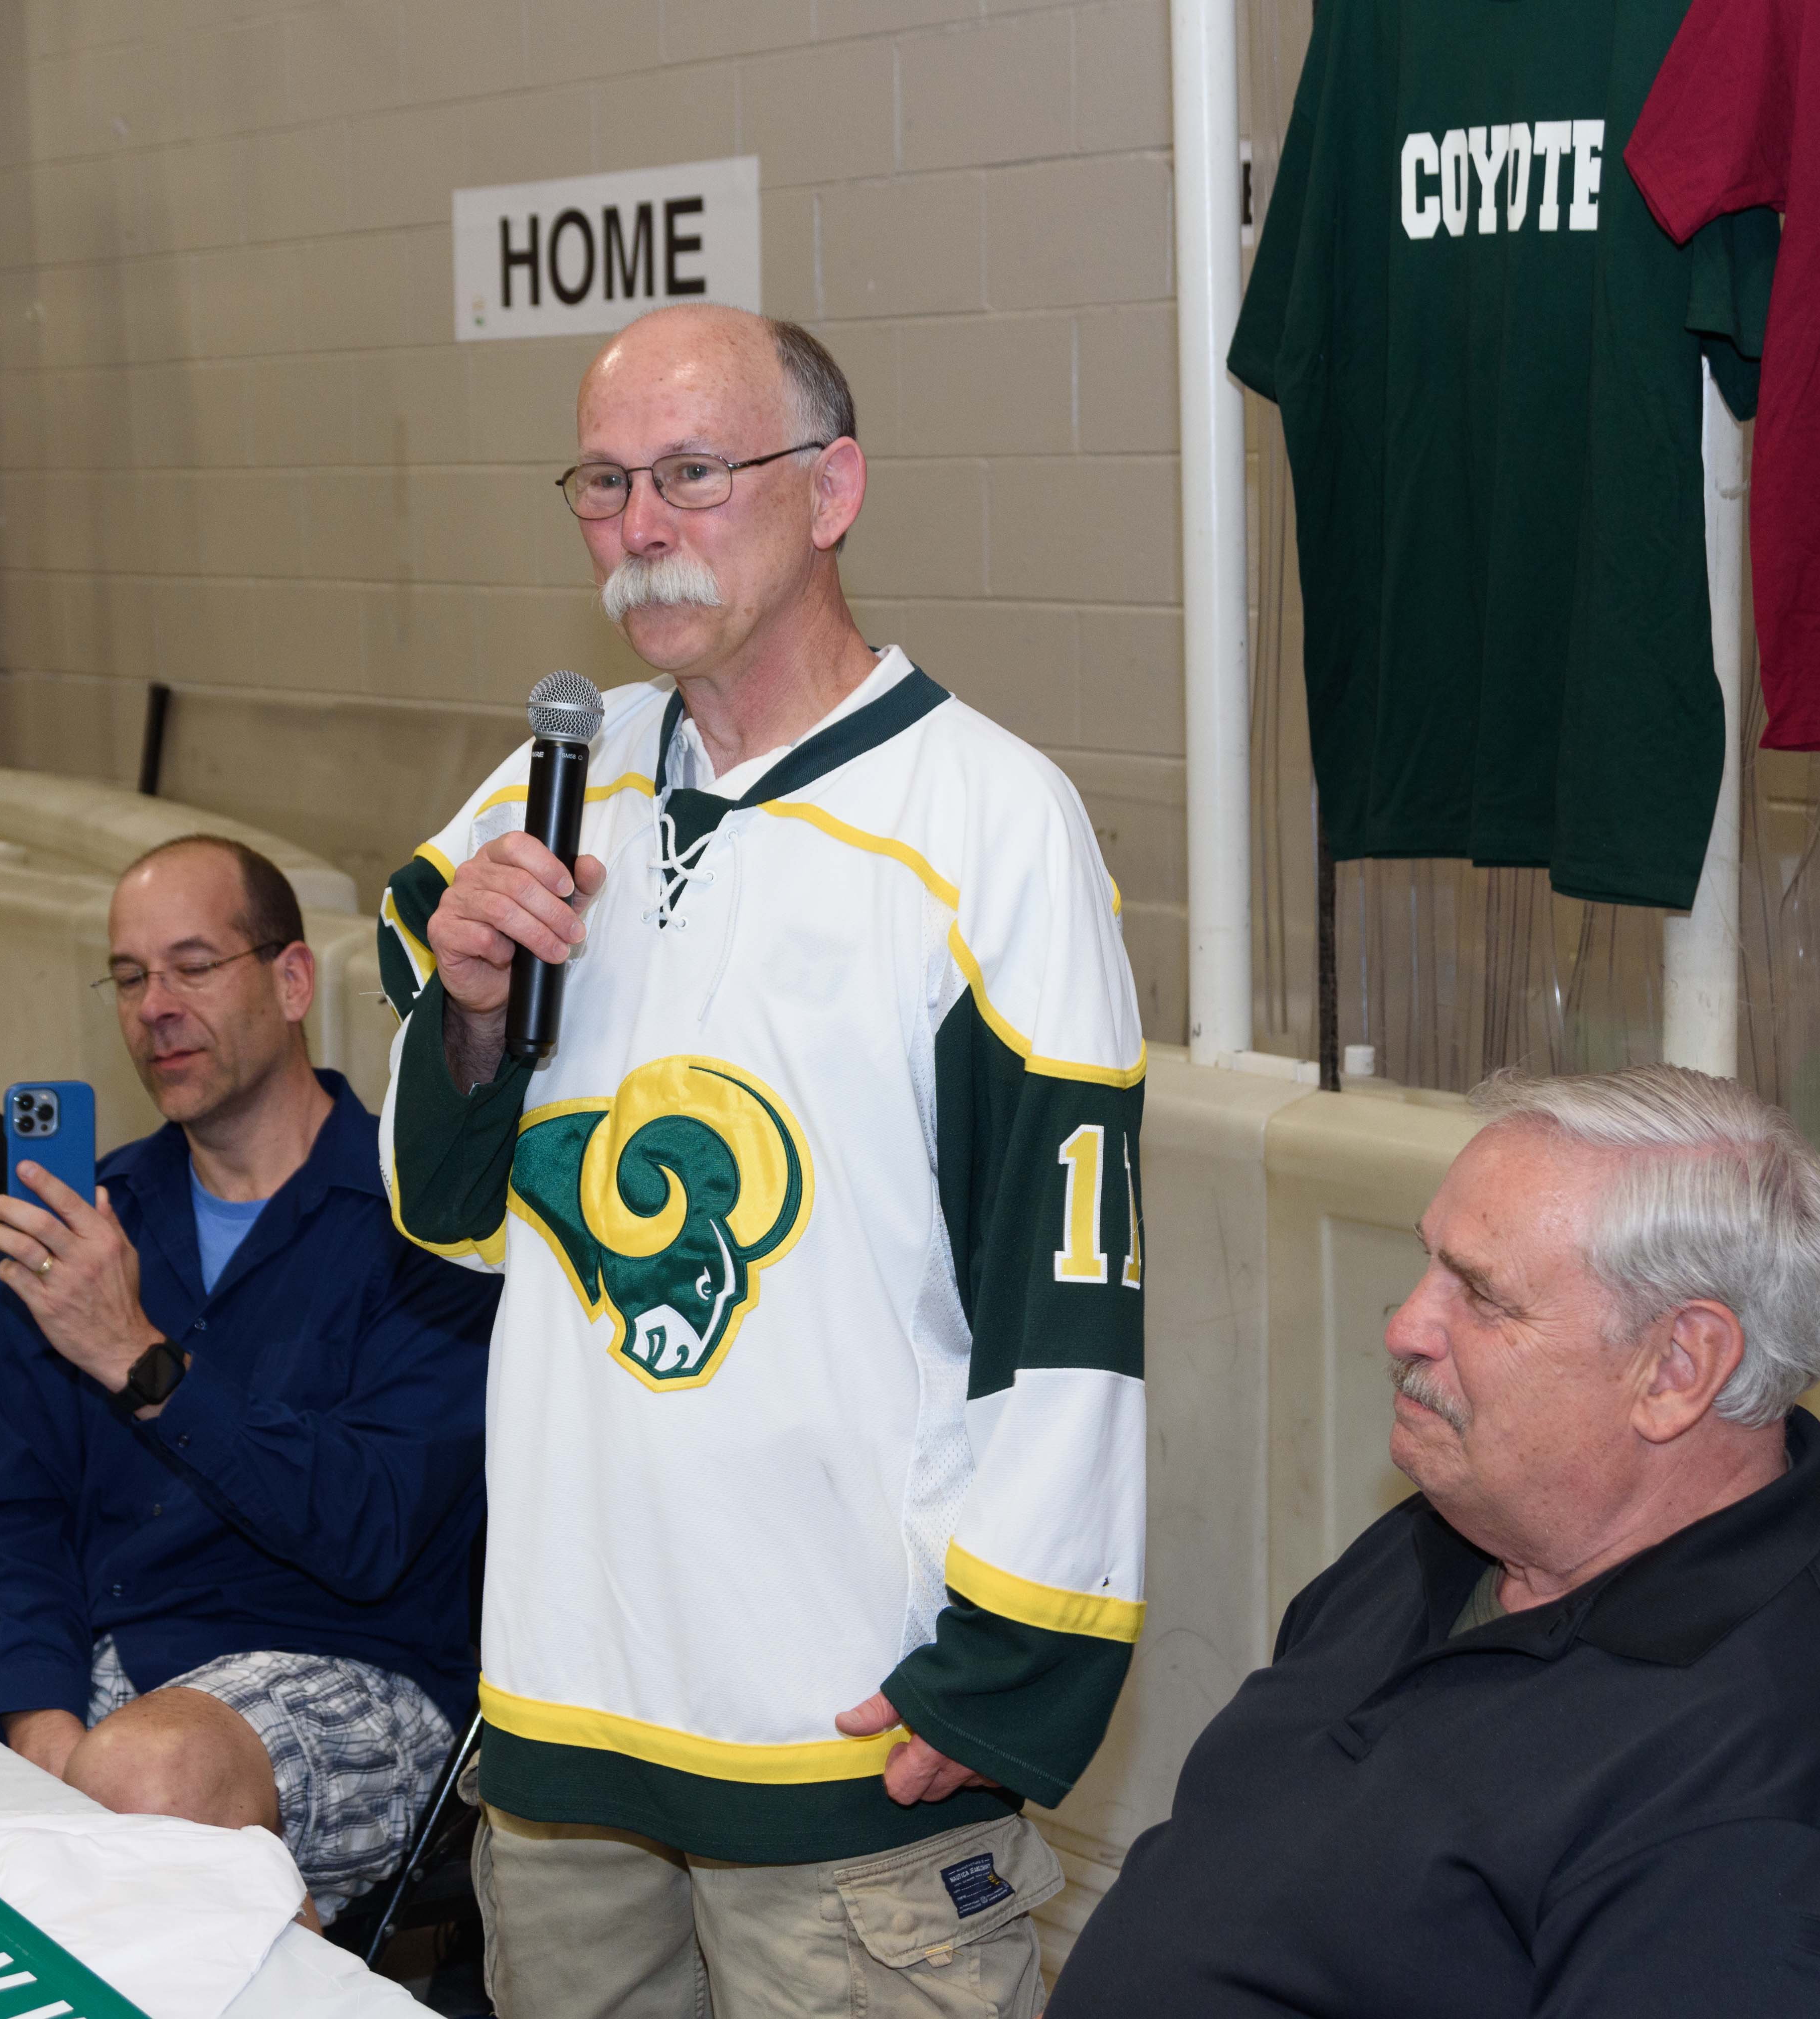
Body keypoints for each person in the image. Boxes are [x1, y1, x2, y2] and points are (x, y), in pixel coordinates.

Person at [379, 304, 1148, 2016]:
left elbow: (1067, 1276)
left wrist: (1002, 1668)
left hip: (844, 1742)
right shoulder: (541, 799)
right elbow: (442, 1217)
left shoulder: (983, 819)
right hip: (568, 1726)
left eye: (694, 472)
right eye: (602, 481)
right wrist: (470, 1007)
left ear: (832, 487)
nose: (640, 524)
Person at [1047, 1066, 1820, 2018]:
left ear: (1675, 1369)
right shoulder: (1457, 1533)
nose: (1409, 1327)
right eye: (1427, 1265)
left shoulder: (1781, 1815)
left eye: (1483, 1297)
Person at [0, 837, 498, 1924]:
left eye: (193, 966)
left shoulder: (424, 1226)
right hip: (109, 1661)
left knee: (147, 1776)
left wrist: (141, 1358)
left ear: (291, 981)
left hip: (355, 1661)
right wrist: (37, 1721)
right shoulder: (90, 1220)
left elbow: (375, 1531)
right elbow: (7, 1520)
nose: (154, 1005)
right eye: (128, 975)